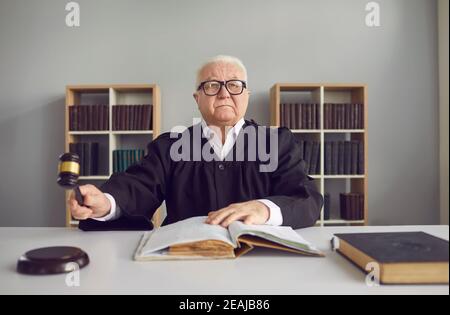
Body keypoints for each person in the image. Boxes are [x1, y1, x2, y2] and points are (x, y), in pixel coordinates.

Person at [69, 55, 323, 229]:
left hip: (259, 265)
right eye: (212, 85)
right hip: (183, 264)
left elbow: (306, 198)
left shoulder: (276, 142)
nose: (224, 92)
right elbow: (138, 187)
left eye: (234, 85)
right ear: (197, 97)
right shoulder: (170, 147)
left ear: (246, 95)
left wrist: (263, 209)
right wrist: (106, 203)